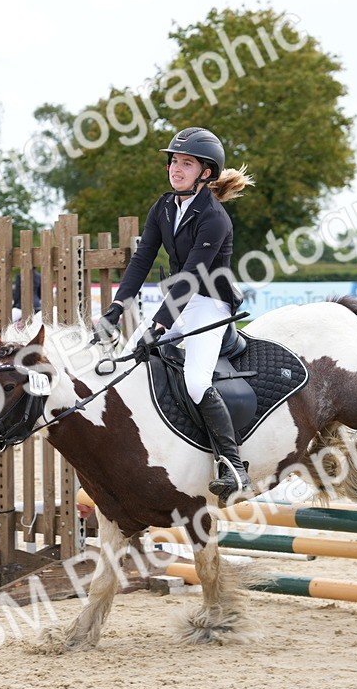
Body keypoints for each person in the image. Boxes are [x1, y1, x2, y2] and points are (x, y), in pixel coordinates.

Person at [97, 127, 254, 499]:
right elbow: (142, 259)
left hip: (208, 304)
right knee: (124, 364)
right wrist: (118, 306)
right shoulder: (164, 206)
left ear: (206, 173)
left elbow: (191, 278)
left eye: (186, 163)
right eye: (173, 161)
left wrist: (158, 325)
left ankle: (232, 465)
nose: (175, 169)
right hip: (176, 300)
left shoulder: (214, 218)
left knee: (197, 382)